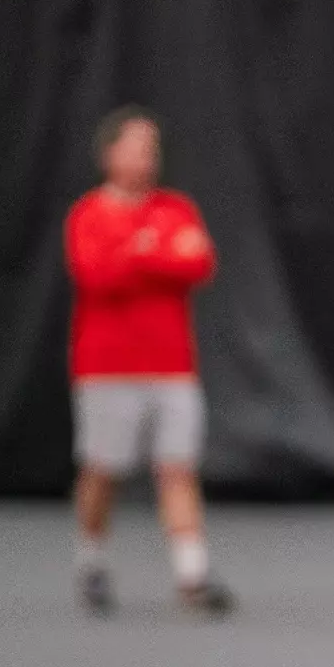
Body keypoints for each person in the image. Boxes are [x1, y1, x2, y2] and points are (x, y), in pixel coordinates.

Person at [64, 106, 233, 617]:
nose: (148, 156)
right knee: (102, 471)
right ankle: (91, 560)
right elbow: (96, 277)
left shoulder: (178, 208)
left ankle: (192, 574)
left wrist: (138, 249)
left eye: (152, 147)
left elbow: (199, 261)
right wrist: (154, 251)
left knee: (177, 469)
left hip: (173, 369)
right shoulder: (87, 214)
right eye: (137, 145)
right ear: (109, 153)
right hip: (105, 369)